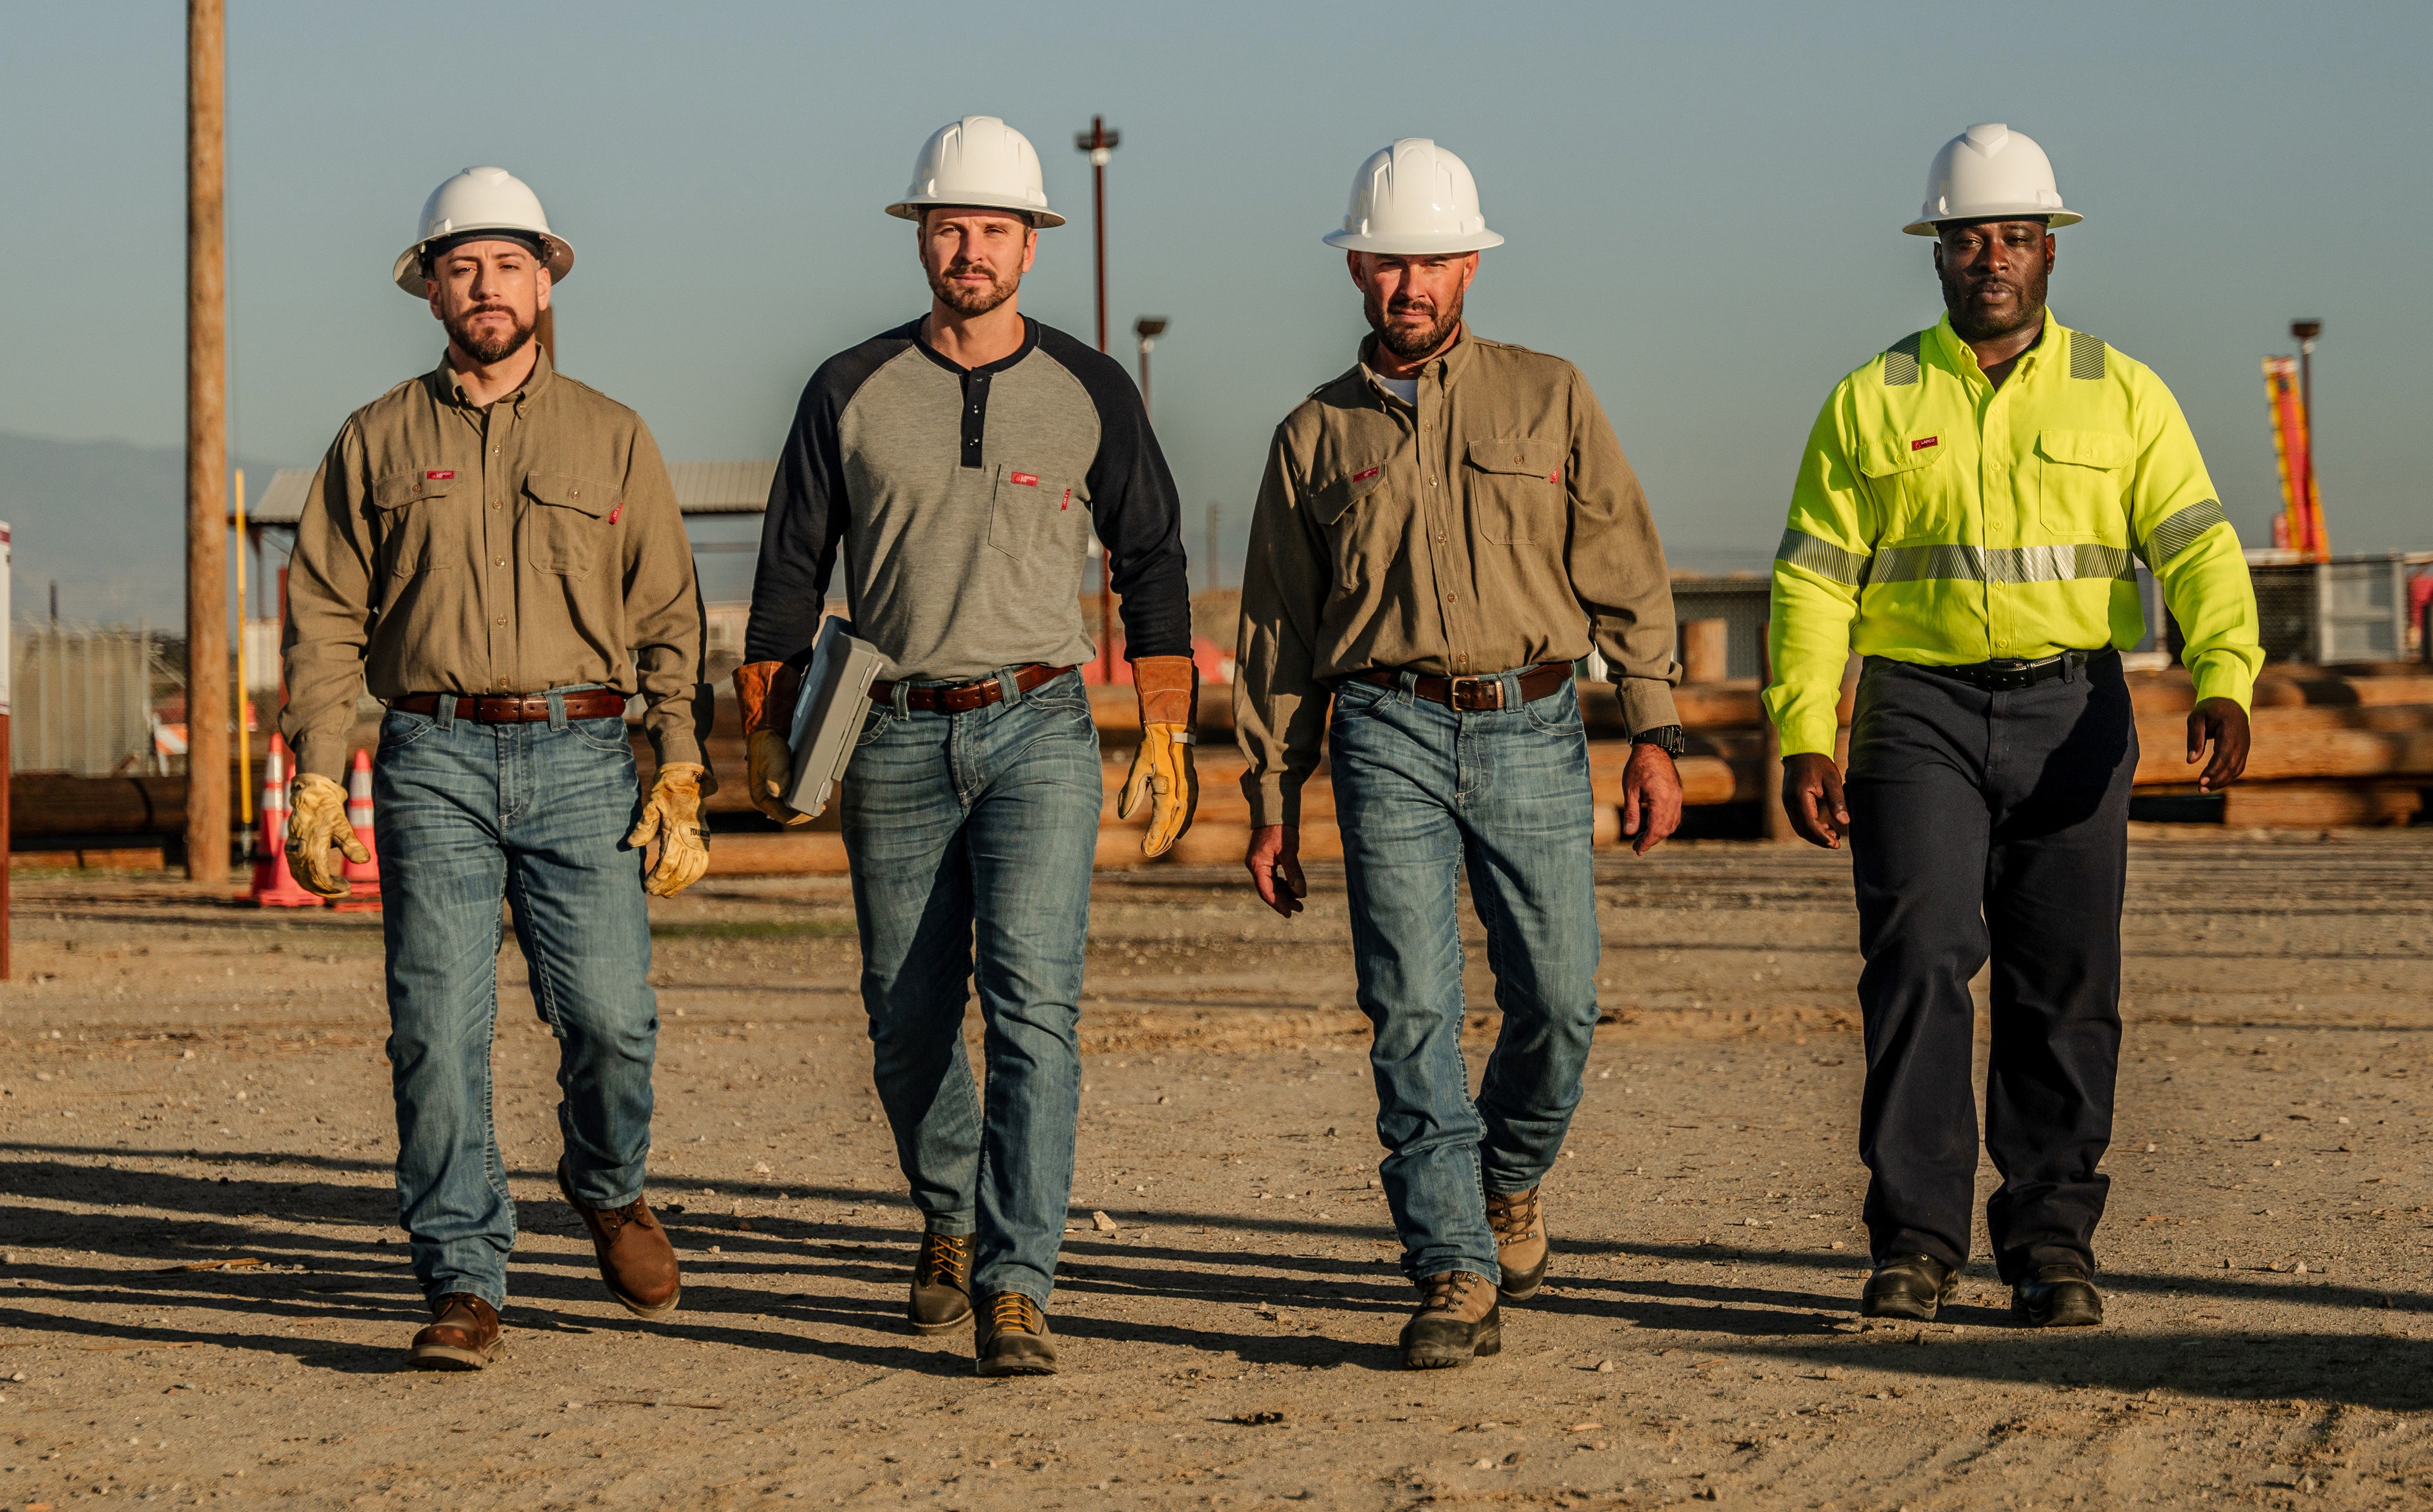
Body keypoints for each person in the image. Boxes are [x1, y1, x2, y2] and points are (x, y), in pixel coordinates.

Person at [1765, 125, 2261, 1328]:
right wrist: (1803, 730)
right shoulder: (1872, 399)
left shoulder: (2124, 393)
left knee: (2065, 980)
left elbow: (2196, 545)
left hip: (2072, 708)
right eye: (1971, 235)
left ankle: (2051, 1240)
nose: (1994, 255)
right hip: (1916, 713)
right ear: (1937, 251)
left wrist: (2226, 672)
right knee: (1921, 959)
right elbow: (1813, 581)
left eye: (2017, 236)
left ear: (2051, 251)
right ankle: (1919, 1239)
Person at [734, 116, 1196, 1378]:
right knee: (905, 1010)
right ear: (921, 237)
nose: (971, 248)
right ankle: (947, 1211)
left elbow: (1151, 552)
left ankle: (1016, 1278)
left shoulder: (1094, 389)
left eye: (996, 228)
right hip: (887, 731)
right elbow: (791, 559)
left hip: (1040, 721)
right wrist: (771, 720)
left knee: (1036, 1003)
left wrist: (1166, 718)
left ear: (1033, 245)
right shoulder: (848, 387)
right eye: (951, 226)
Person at [1234, 138, 1684, 1370]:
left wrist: (1653, 728)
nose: (1410, 284)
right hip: (1383, 729)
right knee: (1412, 1005)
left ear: (1472, 263)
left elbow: (1626, 568)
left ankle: (1508, 1176)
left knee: (1560, 996)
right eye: (1389, 262)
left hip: (1536, 719)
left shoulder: (1552, 395)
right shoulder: (1312, 437)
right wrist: (1270, 791)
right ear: (1358, 267)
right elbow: (1276, 630)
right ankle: (1449, 1263)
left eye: (1434, 259)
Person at [282, 166, 713, 1371]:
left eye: (507, 264)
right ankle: (464, 1277)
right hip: (433, 756)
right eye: (460, 266)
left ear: (545, 280)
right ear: (428, 291)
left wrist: (677, 764)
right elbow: (322, 616)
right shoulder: (374, 441)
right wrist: (324, 769)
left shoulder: (613, 436)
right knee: (435, 1030)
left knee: (613, 1020)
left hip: (583, 752)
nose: (485, 286)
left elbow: (669, 614)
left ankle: (608, 1185)